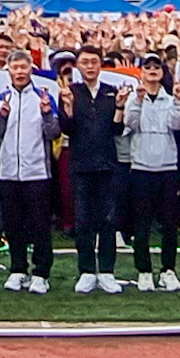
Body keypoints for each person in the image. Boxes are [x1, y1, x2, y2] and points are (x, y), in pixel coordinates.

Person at [0, 53, 60, 294]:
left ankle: (41, 272)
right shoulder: (3, 97)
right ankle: (18, 269)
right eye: (15, 67)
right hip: (8, 172)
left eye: (23, 67)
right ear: (8, 70)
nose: (19, 72)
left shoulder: (43, 96)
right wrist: (1, 117)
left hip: (37, 171)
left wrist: (48, 113)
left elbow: (53, 133)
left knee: (40, 225)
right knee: (13, 225)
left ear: (31, 69)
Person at [60, 51, 125, 294]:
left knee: (108, 220)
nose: (89, 66)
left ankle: (107, 271)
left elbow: (117, 129)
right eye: (85, 62)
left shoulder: (111, 90)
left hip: (107, 164)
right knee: (83, 220)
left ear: (100, 65)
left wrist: (119, 107)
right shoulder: (72, 91)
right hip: (81, 165)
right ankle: (87, 270)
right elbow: (66, 129)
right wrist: (67, 108)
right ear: (78, 65)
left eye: (94, 62)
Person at [120, 55, 180, 290]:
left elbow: (177, 124)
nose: (152, 71)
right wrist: (137, 101)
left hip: (167, 168)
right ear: (141, 72)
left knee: (169, 224)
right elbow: (130, 123)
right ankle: (144, 270)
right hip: (141, 168)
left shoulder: (170, 98)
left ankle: (168, 270)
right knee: (142, 224)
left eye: (156, 67)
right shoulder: (133, 98)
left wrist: (179, 101)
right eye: (147, 67)